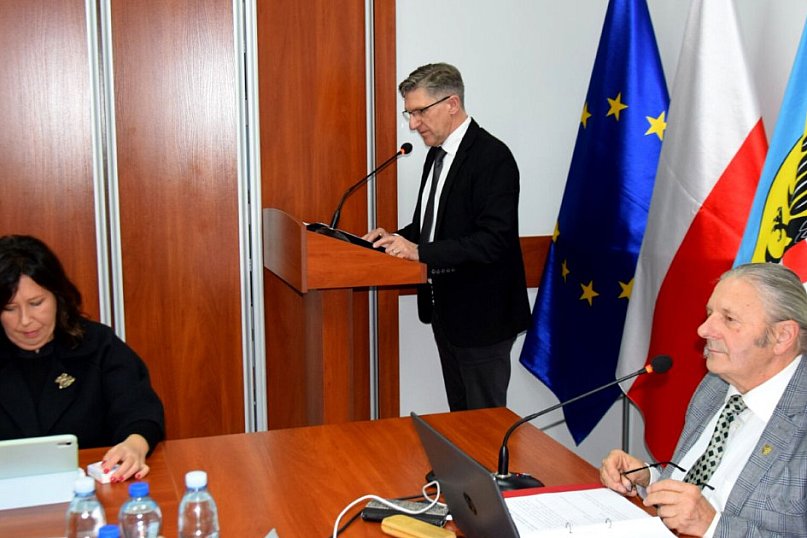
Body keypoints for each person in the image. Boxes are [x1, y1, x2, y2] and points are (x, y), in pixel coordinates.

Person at [363, 63, 531, 411]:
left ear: (452, 104)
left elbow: (493, 241)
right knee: (459, 419)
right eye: (409, 114)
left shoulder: (492, 157)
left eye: (419, 112)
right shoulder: (436, 156)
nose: (413, 124)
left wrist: (419, 251)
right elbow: (430, 227)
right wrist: (392, 238)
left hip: (483, 317)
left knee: (483, 424)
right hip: (446, 313)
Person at [600, 262, 807, 537]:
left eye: (729, 319)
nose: (703, 330)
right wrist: (650, 479)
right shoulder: (715, 385)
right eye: (710, 313)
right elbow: (706, 488)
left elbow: (708, 516)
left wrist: (713, 527)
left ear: (782, 336)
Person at [0, 235, 165, 482]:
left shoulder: (97, 344)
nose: (25, 320)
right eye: (10, 308)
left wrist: (135, 444)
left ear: (57, 296)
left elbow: (138, 408)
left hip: (91, 489)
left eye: (36, 303)